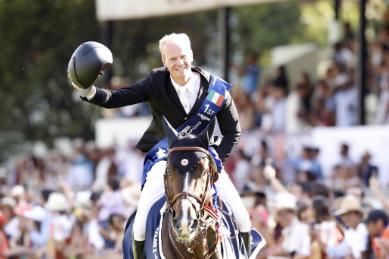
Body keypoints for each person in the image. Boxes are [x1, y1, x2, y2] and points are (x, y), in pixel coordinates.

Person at [68, 33, 252, 258]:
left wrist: (216, 159)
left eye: (183, 56)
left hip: (204, 160)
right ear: (164, 61)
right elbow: (118, 98)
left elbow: (233, 131)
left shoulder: (216, 89)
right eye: (172, 59)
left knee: (242, 216)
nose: (179, 63)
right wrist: (87, 91)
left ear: (191, 55)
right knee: (141, 218)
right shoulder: (155, 81)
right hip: (166, 159)